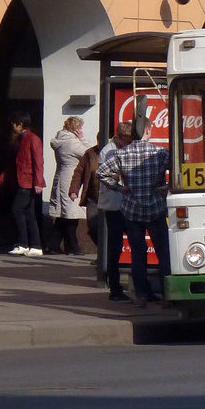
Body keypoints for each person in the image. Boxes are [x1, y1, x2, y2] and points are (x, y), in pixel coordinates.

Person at [96, 120, 171, 307]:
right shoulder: (160, 152)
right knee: (164, 253)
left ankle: (142, 295)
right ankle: (168, 294)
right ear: (146, 130)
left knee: (138, 254)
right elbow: (179, 169)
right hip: (155, 207)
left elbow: (100, 173)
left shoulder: (122, 153)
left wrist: (119, 188)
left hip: (131, 210)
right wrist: (168, 186)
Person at [0, 112, 46, 257]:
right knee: (29, 214)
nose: (12, 127)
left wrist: (38, 182)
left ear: (20, 125)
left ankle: (23, 244)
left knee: (17, 210)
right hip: (24, 181)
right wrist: (0, 180)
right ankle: (35, 246)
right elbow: (14, 165)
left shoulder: (32, 139)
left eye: (13, 124)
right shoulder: (20, 140)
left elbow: (38, 161)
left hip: (28, 182)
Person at [93, 122, 133, 302]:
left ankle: (127, 286)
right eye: (130, 139)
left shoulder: (120, 149)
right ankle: (115, 288)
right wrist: (119, 182)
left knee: (131, 243)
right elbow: (106, 175)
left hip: (124, 203)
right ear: (122, 137)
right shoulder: (109, 151)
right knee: (115, 247)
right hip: (115, 204)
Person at [48, 116, 88, 255]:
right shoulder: (72, 143)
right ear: (75, 128)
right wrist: (82, 138)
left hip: (60, 177)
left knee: (63, 214)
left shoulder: (60, 139)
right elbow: (89, 154)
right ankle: (74, 248)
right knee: (71, 214)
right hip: (71, 179)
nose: (81, 130)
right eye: (80, 127)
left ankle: (53, 244)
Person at [69, 133, 104, 248]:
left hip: (108, 197)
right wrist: (74, 190)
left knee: (108, 228)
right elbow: (79, 171)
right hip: (93, 197)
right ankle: (102, 253)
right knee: (92, 226)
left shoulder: (113, 152)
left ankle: (105, 256)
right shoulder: (90, 154)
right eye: (99, 140)